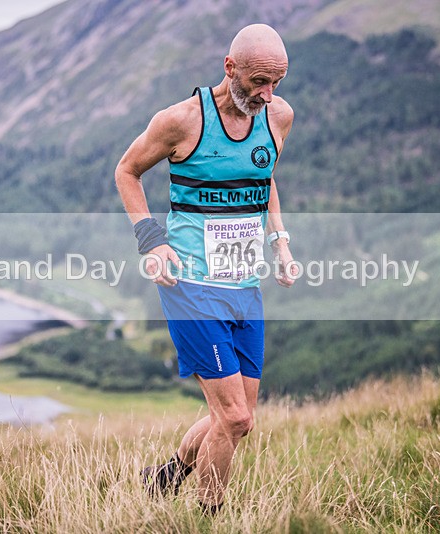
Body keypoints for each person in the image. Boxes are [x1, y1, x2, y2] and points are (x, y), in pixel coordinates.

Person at [115, 24, 297, 515]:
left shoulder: (278, 116)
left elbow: (264, 177)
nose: (268, 94)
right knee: (234, 418)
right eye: (259, 81)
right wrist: (151, 241)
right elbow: (127, 171)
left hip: (244, 285)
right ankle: (208, 518)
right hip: (191, 285)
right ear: (229, 67)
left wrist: (280, 242)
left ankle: (166, 476)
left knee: (239, 418)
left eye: (277, 82)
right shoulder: (182, 120)